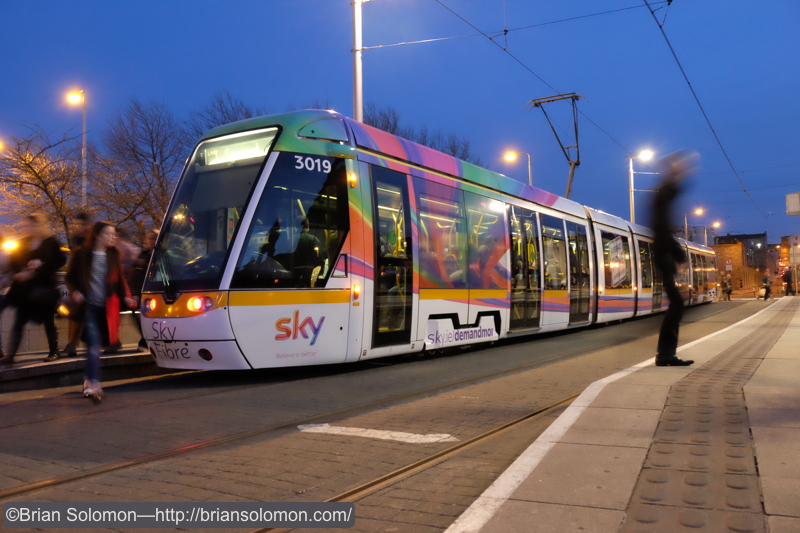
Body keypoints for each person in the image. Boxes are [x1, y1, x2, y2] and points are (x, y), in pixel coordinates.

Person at [66, 221, 136, 400]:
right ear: (98, 235)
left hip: (106, 308)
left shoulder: (113, 254)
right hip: (88, 306)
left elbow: (119, 279)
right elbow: (70, 277)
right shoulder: (82, 254)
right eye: (109, 234)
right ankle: (93, 383)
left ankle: (88, 380)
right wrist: (75, 293)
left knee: (98, 345)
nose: (113, 237)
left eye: (114, 234)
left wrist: (125, 296)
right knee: (93, 346)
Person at [651, 151, 699, 367]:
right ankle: (665, 354)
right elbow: (660, 227)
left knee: (677, 304)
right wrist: (678, 254)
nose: (686, 170)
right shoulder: (663, 193)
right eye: (682, 166)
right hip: (663, 255)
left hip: (664, 254)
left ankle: (666, 354)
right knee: (677, 304)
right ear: (673, 168)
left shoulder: (665, 192)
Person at [0, 214, 66, 365]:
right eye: (27, 225)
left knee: (48, 320)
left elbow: (60, 260)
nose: (29, 228)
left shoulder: (51, 242)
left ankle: (54, 351)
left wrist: (40, 266)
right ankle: (11, 355)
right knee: (19, 321)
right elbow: (14, 261)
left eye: (32, 225)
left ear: (40, 226)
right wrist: (20, 273)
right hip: (26, 291)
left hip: (44, 289)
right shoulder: (23, 242)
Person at [63, 212, 93, 357]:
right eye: (79, 224)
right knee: (77, 313)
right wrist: (74, 291)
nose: (80, 227)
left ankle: (73, 344)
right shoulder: (77, 245)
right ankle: (72, 344)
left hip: (91, 288)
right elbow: (71, 274)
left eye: (82, 224)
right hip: (82, 287)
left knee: (80, 315)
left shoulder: (96, 246)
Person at [129, 229, 158, 350]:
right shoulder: (144, 253)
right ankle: (145, 339)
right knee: (138, 314)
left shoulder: (160, 252)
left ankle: (145, 341)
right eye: (149, 238)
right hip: (141, 288)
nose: (150, 241)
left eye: (153, 238)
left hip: (155, 288)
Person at [293, 216, 325, 287]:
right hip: (310, 273)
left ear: (296, 227)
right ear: (308, 226)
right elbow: (320, 259)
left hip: (293, 274)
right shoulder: (314, 239)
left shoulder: (291, 240)